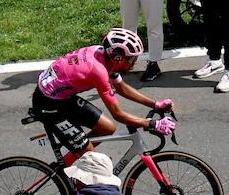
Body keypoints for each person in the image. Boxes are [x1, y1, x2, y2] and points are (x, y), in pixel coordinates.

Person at [32, 28, 176, 160]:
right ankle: (79, 175)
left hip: (60, 96)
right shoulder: (98, 71)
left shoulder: (104, 55)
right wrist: (151, 124)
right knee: (93, 160)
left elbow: (121, 88)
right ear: (118, 58)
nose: (134, 63)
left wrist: (155, 104)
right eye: (132, 59)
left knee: (107, 128)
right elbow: (118, 114)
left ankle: (72, 160)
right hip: (47, 104)